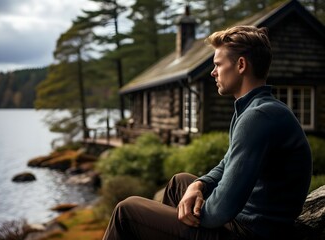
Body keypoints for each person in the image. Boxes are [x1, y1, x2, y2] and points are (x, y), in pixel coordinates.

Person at [102, 25, 312, 240]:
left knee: (126, 211)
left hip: (248, 232)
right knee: (180, 183)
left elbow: (221, 209)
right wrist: (198, 185)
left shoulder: (258, 117)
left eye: (218, 65)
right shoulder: (256, 109)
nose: (213, 72)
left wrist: (188, 214)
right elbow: (227, 163)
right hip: (243, 221)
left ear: (241, 65)